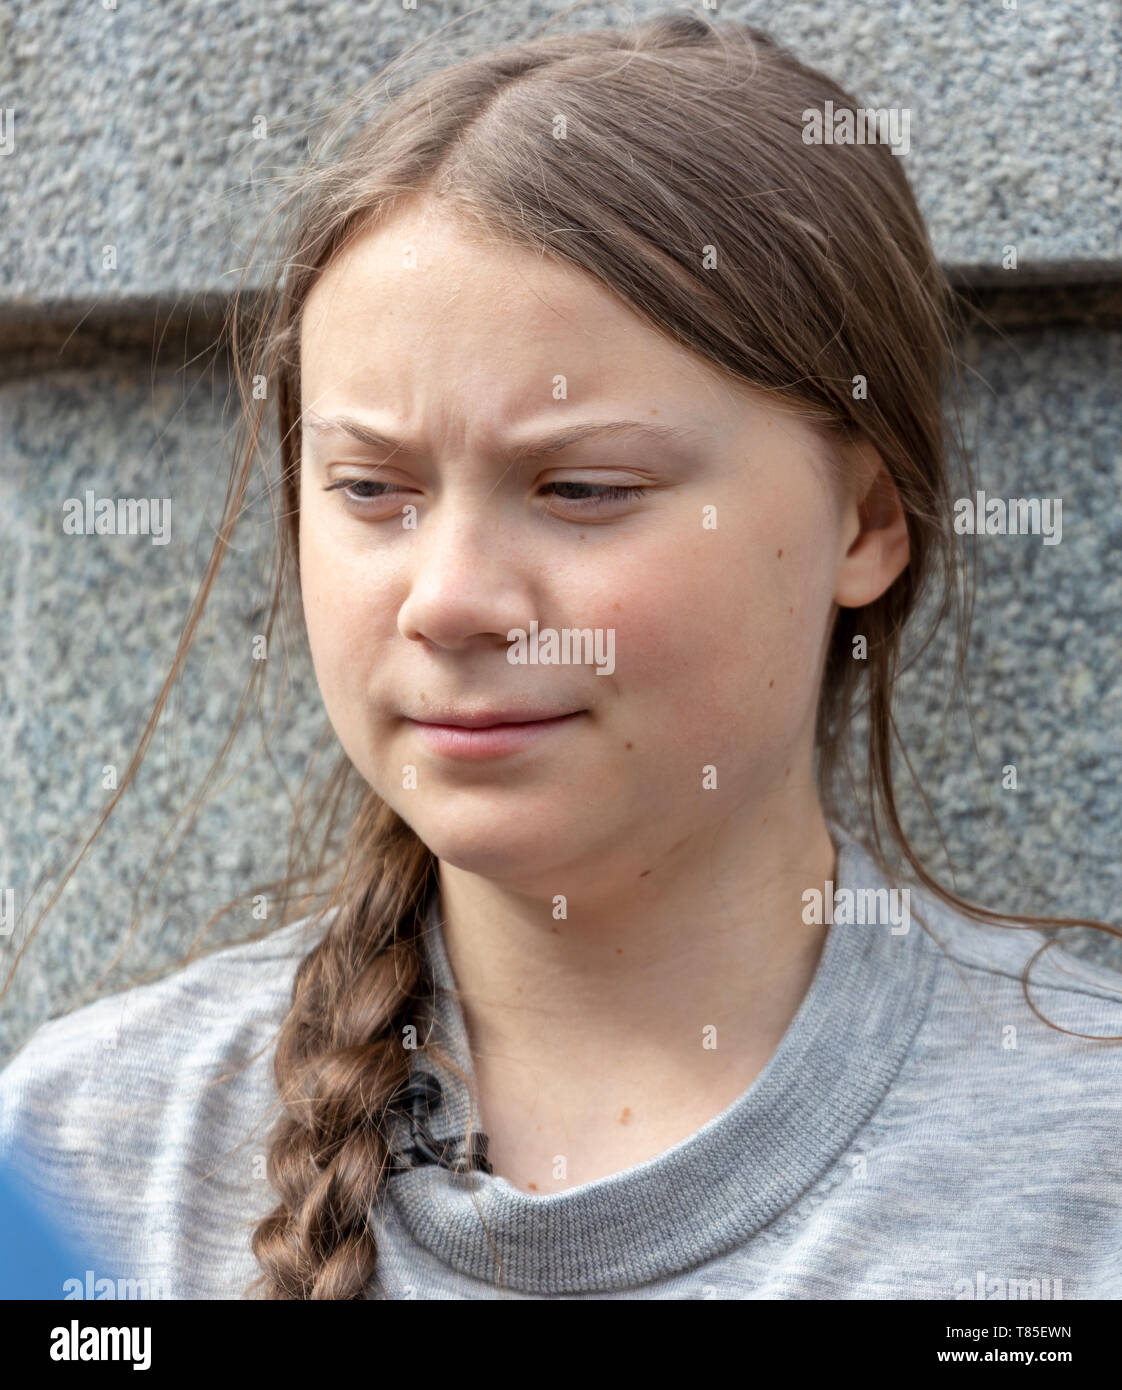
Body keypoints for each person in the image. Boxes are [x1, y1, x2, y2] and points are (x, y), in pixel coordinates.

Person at [1, 13, 1119, 1301]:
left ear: (866, 521)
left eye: (582, 487)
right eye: (372, 489)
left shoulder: (1082, 1177)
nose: (452, 601)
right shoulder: (84, 1164)